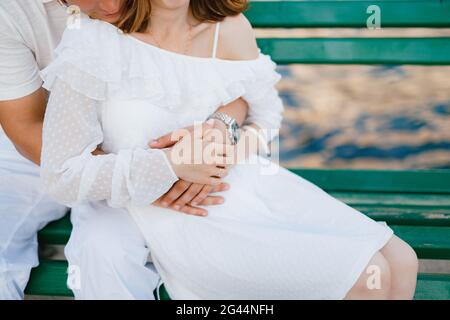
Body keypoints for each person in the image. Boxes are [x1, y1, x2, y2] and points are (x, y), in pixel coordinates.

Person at [40, 0, 419, 299]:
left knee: (401, 260)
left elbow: (266, 116)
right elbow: (61, 174)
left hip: (238, 183)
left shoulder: (230, 30)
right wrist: (170, 165)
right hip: (182, 212)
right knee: (368, 278)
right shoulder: (93, 41)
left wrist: (223, 135)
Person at [0, 0, 247, 299]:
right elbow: (27, 126)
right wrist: (148, 173)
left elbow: (239, 84)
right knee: (96, 251)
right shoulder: (12, 11)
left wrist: (219, 130)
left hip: (162, 142)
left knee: (110, 249)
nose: (112, 5)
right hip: (45, 153)